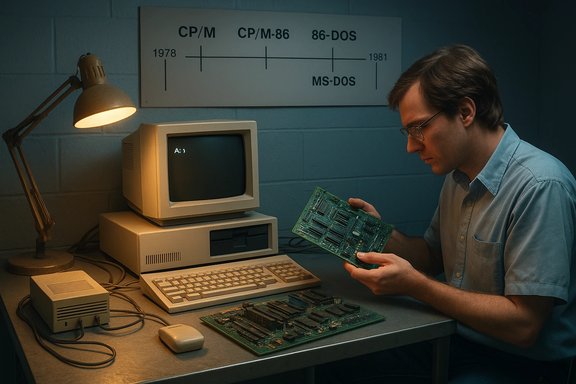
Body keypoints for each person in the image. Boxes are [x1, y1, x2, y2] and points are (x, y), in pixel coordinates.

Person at [317, 45, 576, 383]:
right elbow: (431, 257)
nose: (412, 146)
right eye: (408, 132)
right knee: (341, 360)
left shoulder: (541, 185)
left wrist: (416, 287)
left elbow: (523, 326)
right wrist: (381, 234)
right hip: (457, 338)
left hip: (519, 363)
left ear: (465, 112)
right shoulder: (458, 175)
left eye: (419, 127)